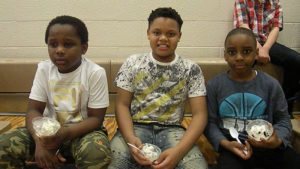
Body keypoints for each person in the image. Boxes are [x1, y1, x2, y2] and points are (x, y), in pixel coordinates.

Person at [0, 15, 111, 169]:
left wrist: (62, 135)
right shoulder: (44, 69)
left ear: (83, 48)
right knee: (4, 145)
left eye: (68, 44)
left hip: (81, 133)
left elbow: (95, 119)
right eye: (53, 44)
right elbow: (33, 110)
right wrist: (40, 141)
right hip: (44, 134)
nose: (59, 50)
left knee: (97, 154)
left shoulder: (95, 72)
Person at [108, 7, 208, 169]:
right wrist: (129, 138)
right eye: (156, 33)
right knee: (114, 163)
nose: (163, 38)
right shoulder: (133, 63)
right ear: (148, 33)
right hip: (135, 127)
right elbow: (121, 105)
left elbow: (200, 115)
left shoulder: (191, 69)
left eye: (171, 34)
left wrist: (178, 152)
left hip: (173, 130)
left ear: (179, 36)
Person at [205, 27, 300, 169]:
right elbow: (209, 123)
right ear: (225, 55)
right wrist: (225, 144)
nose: (239, 57)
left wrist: (277, 140)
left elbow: (283, 119)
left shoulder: (270, 84)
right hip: (233, 148)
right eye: (232, 52)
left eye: (246, 51)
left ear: (256, 53)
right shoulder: (214, 85)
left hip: (268, 146)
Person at [234, 0, 300, 115]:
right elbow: (243, 26)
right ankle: (244, 111)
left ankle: (284, 108)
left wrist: (265, 49)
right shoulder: (242, 1)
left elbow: (275, 28)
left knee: (295, 60)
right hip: (247, 41)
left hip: (267, 42)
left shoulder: (276, 3)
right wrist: (257, 49)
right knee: (245, 62)